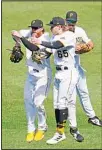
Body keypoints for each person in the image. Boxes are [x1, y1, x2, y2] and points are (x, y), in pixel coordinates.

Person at [15, 17, 84, 144]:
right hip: (59, 74)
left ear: (60, 26)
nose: (51, 28)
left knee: (64, 102)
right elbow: (45, 51)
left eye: (52, 26)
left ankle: (61, 133)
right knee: (58, 104)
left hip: (69, 73)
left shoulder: (68, 35)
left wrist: (40, 43)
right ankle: (68, 130)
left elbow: (56, 45)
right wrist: (39, 54)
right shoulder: (53, 38)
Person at [11, 19, 52, 142]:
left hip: (43, 76)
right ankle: (30, 129)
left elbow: (33, 47)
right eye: (32, 28)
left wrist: (22, 39)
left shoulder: (47, 39)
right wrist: (17, 43)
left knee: (38, 103)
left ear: (41, 29)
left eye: (36, 28)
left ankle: (42, 127)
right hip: (30, 75)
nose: (33, 30)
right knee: (28, 101)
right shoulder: (28, 33)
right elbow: (14, 32)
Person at [64, 10, 102, 140]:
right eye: (69, 23)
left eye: (73, 23)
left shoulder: (79, 31)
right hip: (66, 71)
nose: (71, 25)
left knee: (84, 92)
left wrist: (84, 49)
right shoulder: (62, 34)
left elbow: (90, 44)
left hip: (77, 68)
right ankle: (71, 127)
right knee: (70, 100)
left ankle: (92, 117)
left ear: (76, 22)